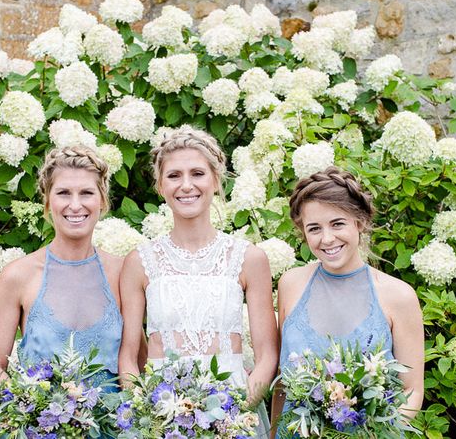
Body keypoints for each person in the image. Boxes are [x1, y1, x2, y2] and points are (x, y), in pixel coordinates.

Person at [118, 126, 278, 404]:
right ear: (160, 186)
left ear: (216, 180)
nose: (186, 185)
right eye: (174, 176)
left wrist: (236, 414)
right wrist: (146, 414)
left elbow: (267, 356)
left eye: (198, 174)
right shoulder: (140, 262)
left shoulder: (249, 259)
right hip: (161, 417)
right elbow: (128, 359)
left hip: (234, 415)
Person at [275, 166, 424, 428]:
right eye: (314, 228)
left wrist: (373, 432)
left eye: (337, 224)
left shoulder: (399, 296)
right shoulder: (291, 284)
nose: (327, 238)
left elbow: (411, 391)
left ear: (361, 222)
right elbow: (282, 383)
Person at [0, 145, 123, 393]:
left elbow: (138, 364)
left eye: (87, 193)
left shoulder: (122, 273)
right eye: (64, 193)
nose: (75, 205)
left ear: (102, 201)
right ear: (47, 202)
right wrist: (29, 409)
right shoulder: (18, 276)